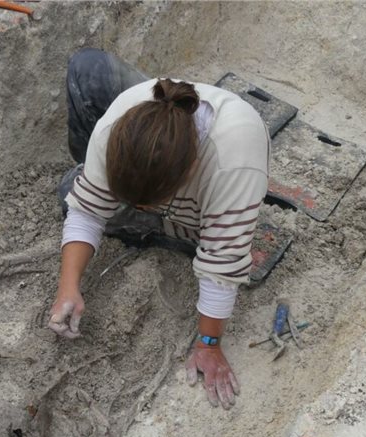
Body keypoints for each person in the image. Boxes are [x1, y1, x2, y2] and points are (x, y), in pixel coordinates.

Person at [48, 49, 269, 411]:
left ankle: (176, 229)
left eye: (146, 205)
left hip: (214, 194)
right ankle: (106, 180)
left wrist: (208, 345)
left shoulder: (233, 167)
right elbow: (86, 211)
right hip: (159, 138)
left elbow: (221, 268)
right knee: (87, 68)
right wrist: (67, 288)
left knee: (66, 189)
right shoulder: (119, 122)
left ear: (188, 173)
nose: (137, 210)